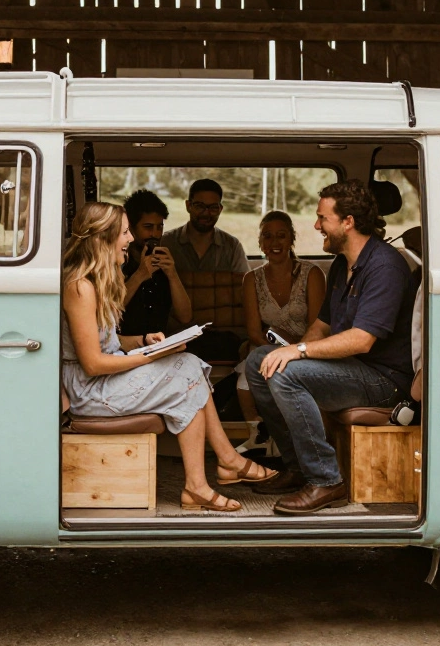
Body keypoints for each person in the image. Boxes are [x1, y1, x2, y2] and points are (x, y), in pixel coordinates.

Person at [61, 202, 276, 512]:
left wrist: (142, 340)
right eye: (124, 233)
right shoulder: (79, 287)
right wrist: (151, 357)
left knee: (187, 369)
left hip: (103, 382)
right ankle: (220, 466)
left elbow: (107, 340)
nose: (131, 240)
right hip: (90, 390)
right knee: (185, 370)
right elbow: (93, 363)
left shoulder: (97, 281)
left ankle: (203, 481)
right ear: (103, 238)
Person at [244, 180, 417, 515]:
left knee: (286, 374)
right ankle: (296, 467)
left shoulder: (384, 266)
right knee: (258, 361)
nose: (316, 225)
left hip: (385, 380)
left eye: (323, 218)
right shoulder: (342, 264)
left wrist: (298, 353)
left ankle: (325, 479)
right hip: (353, 368)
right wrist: (290, 348)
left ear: (347, 222)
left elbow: (362, 339)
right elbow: (321, 326)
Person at [233, 211, 326, 451]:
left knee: (288, 380)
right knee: (244, 384)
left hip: (306, 347)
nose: (275, 243)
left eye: (281, 236)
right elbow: (254, 331)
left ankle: (294, 440)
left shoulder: (312, 274)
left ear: (292, 239)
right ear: (260, 243)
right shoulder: (251, 279)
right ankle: (260, 438)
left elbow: (318, 326)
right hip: (265, 346)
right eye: (268, 237)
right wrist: (275, 352)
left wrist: (294, 352)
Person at [119, 189, 192, 336]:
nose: (155, 234)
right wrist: (140, 275)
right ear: (131, 228)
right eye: (148, 227)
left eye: (160, 227)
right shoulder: (119, 262)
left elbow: (185, 317)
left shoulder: (163, 263)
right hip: (124, 346)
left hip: (159, 346)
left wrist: (172, 275)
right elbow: (110, 310)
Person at [159, 179, 250, 274]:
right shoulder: (167, 243)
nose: (206, 213)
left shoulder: (232, 247)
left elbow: (244, 285)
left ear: (220, 209)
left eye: (213, 207)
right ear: (188, 206)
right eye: (200, 206)